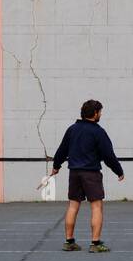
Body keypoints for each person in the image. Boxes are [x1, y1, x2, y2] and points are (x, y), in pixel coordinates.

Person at [51, 99, 124, 253]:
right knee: (96, 206)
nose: (101, 115)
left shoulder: (72, 129)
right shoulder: (98, 132)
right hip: (91, 173)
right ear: (95, 113)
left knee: (73, 205)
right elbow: (108, 155)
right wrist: (118, 171)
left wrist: (56, 166)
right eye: (100, 112)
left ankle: (69, 242)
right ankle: (95, 243)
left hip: (74, 172)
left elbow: (62, 150)